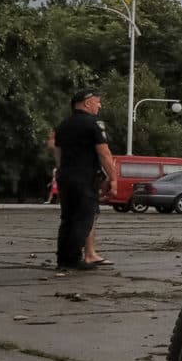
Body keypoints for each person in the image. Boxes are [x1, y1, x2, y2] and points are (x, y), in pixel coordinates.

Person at [52, 88, 118, 275]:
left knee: (67, 219)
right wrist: (113, 179)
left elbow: (58, 154)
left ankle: (63, 259)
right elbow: (104, 153)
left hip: (65, 177)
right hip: (84, 178)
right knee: (84, 218)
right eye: (97, 102)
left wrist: (62, 172)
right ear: (87, 103)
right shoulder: (94, 123)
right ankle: (73, 259)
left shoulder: (63, 125)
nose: (99, 105)